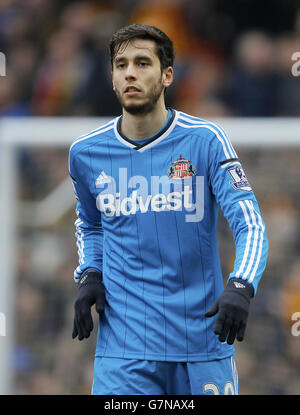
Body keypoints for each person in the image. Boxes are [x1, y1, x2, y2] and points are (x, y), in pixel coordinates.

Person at [69, 24, 268, 395]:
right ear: (112, 77)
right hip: (124, 355)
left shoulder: (205, 141)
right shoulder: (86, 153)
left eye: (143, 63)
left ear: (167, 76)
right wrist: (90, 274)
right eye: (121, 64)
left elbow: (250, 223)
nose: (130, 72)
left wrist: (241, 285)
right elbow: (90, 225)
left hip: (202, 345)